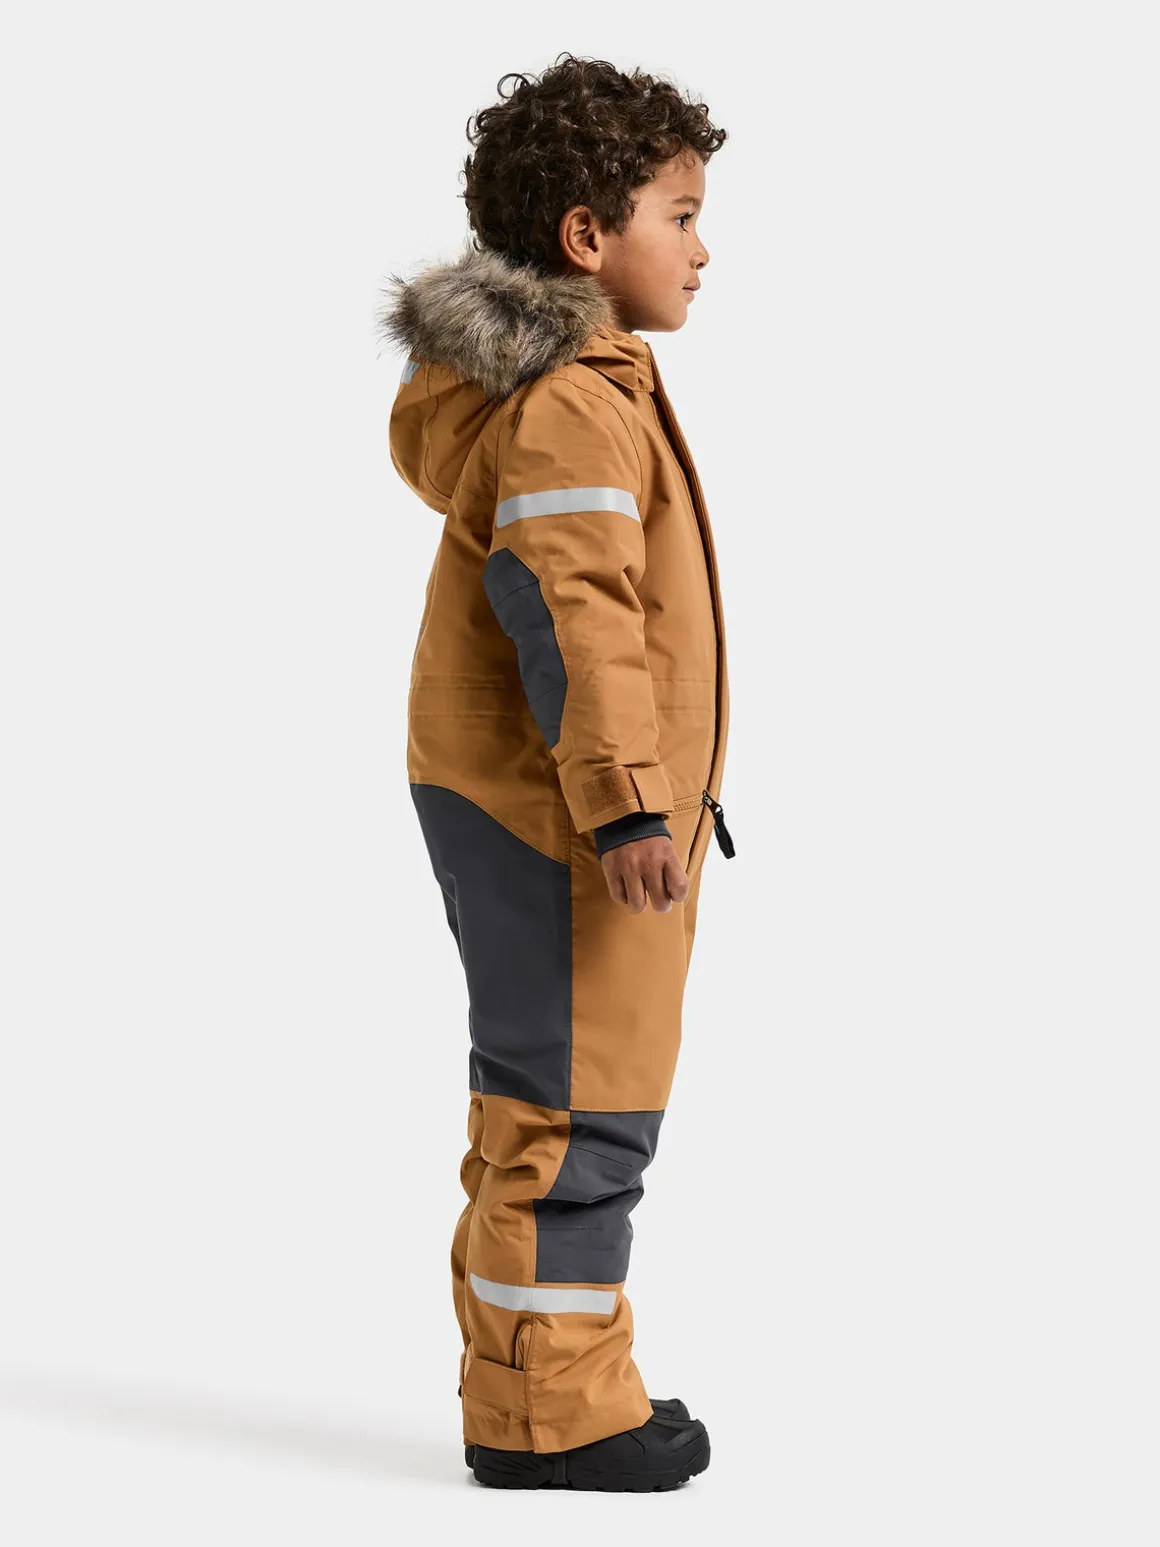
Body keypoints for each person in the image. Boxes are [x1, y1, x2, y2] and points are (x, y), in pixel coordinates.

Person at [376, 53, 735, 1492]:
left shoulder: (578, 387)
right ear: (589, 236)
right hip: (564, 810)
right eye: (681, 215)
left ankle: (549, 1383)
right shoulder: (573, 400)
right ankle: (550, 1413)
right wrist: (628, 803)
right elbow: (573, 609)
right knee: (577, 1102)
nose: (702, 249)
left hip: (550, 798)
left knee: (567, 1088)